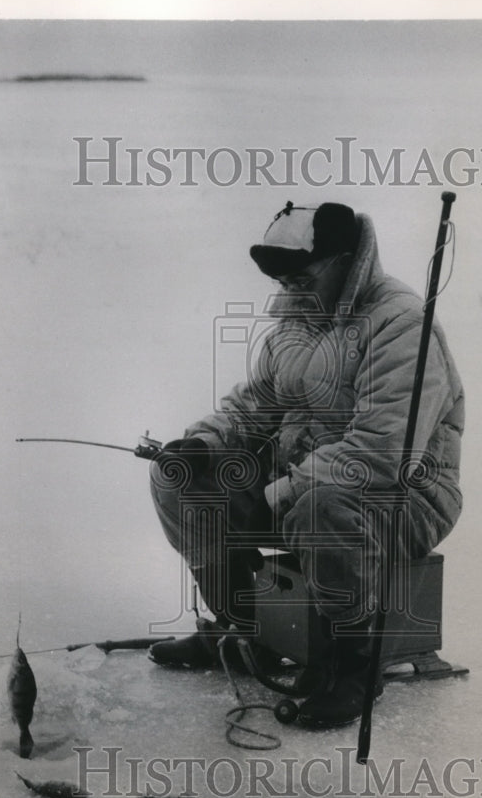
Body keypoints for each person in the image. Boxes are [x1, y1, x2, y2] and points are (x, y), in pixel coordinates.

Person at [148, 200, 464, 729]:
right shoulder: (297, 323)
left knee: (324, 501)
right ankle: (246, 631)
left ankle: (353, 666)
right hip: (307, 494)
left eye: (301, 276)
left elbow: (379, 453)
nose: (289, 289)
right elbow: (254, 408)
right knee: (182, 481)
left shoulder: (402, 325)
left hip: (404, 501)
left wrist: (273, 495)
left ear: (346, 260)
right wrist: (203, 445)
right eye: (282, 279)